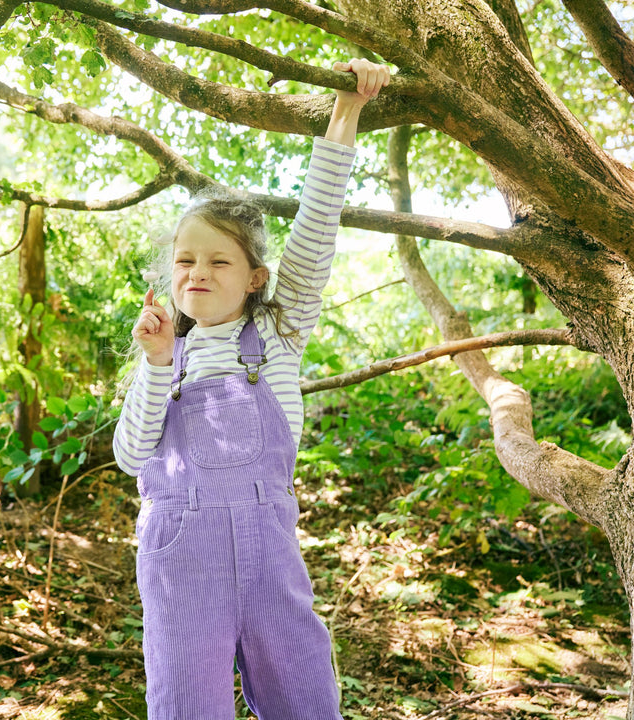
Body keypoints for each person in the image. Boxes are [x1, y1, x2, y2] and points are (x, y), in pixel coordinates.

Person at [114, 58, 390, 720]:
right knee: (186, 708)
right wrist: (154, 363)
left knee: (306, 701)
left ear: (256, 277)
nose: (198, 272)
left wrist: (345, 109)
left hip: (270, 563)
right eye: (185, 260)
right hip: (182, 567)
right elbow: (132, 456)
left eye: (219, 260)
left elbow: (318, 221)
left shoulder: (279, 335)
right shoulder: (162, 354)